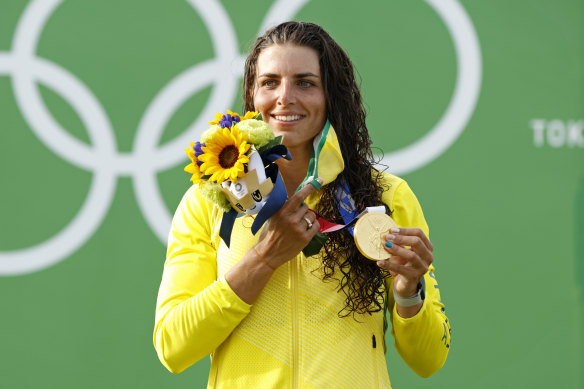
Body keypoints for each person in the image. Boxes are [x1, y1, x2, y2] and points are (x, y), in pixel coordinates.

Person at [154, 21, 450, 388]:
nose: (284, 97)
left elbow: (430, 360)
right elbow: (173, 346)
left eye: (305, 83)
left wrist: (410, 291)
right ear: (252, 94)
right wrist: (263, 259)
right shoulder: (208, 201)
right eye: (270, 82)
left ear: (332, 96)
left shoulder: (386, 196)